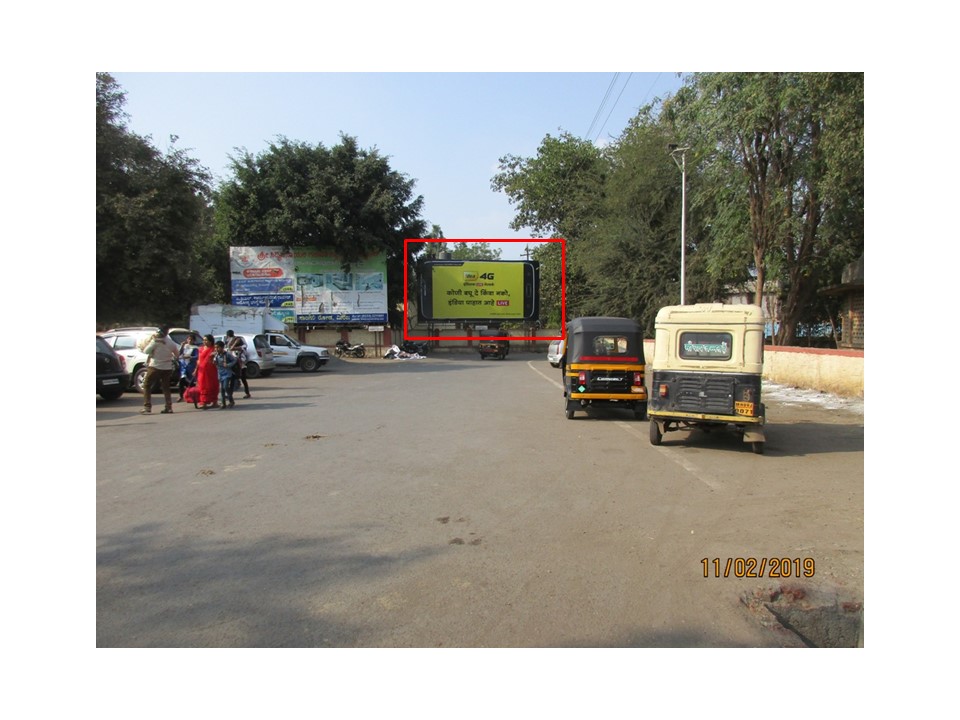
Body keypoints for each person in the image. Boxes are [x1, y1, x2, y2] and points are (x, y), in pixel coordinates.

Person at [141, 326, 180, 414]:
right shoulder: (171, 343)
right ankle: (168, 407)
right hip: (167, 367)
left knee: (146, 385)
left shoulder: (155, 341)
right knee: (166, 387)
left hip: (155, 366)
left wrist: (153, 342)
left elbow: (146, 351)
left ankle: (147, 407)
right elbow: (177, 355)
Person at [196, 334, 220, 409]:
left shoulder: (214, 349)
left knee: (212, 385)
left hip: (211, 370)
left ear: (210, 341)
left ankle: (214, 401)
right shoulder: (201, 349)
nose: (204, 342)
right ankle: (204, 402)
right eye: (203, 340)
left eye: (206, 340)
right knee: (203, 385)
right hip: (202, 370)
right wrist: (195, 370)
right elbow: (199, 360)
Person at [225, 330, 251, 398]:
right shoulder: (229, 342)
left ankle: (247, 393)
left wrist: (233, 344)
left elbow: (233, 348)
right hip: (234, 364)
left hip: (241, 365)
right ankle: (230, 394)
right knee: (233, 379)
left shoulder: (241, 345)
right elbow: (229, 350)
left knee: (242, 379)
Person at [213, 340, 238, 409]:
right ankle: (223, 403)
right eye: (215, 348)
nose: (216, 349)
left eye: (218, 348)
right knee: (222, 390)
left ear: (222, 347)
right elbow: (215, 363)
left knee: (225, 387)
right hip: (220, 373)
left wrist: (228, 365)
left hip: (227, 373)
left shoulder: (227, 354)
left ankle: (231, 400)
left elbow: (235, 360)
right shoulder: (216, 355)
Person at [177, 332, 200, 402]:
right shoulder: (184, 346)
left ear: (194, 341)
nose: (189, 341)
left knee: (191, 382)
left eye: (191, 339)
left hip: (190, 366)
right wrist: (181, 346)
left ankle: (191, 396)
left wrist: (190, 357)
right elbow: (179, 354)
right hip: (183, 366)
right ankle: (181, 396)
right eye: (188, 339)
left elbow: (197, 357)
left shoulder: (195, 348)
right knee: (181, 381)